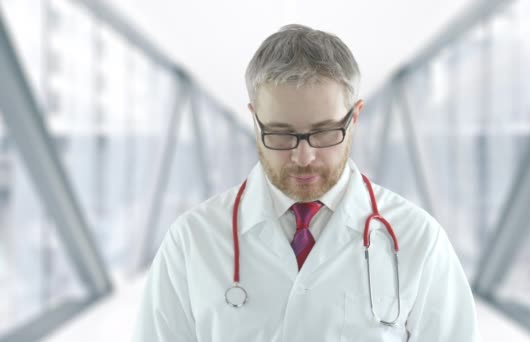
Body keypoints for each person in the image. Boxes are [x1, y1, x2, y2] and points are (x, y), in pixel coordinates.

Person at [132, 24, 480, 342]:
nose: (303, 157)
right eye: (281, 134)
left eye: (324, 133)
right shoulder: (192, 240)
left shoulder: (418, 238)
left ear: (355, 117)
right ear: (254, 120)